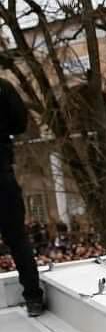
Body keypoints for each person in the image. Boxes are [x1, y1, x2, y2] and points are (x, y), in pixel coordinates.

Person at [0, 77, 44, 316]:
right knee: (17, 239)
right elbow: (20, 124)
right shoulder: (3, 87)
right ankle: (33, 298)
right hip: (1, 174)